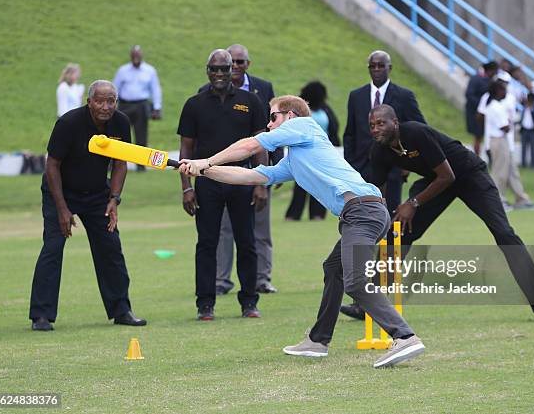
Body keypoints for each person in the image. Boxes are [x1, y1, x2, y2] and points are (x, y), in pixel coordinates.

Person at [179, 95, 425, 368]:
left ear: (290, 116)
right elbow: (251, 176)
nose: (269, 125)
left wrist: (208, 159)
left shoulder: (304, 126)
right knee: (334, 269)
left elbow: (250, 145)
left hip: (363, 211)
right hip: (359, 214)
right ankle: (317, 341)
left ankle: (404, 336)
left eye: (273, 118)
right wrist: (204, 170)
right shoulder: (294, 159)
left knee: (355, 282)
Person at [367, 104, 534, 323]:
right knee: (398, 232)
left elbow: (448, 176)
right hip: (435, 182)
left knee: (504, 234)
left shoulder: (417, 132)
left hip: (469, 175)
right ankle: (369, 302)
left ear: (395, 122)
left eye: (381, 123)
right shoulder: (379, 150)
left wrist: (413, 202)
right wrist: (378, 216)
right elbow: (376, 190)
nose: (375, 129)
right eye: (372, 125)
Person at [29, 80, 147, 331]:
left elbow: (120, 163)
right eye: (100, 101)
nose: (105, 106)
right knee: (53, 247)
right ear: (89, 102)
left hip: (97, 195)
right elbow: (52, 166)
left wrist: (114, 199)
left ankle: (121, 310)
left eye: (110, 101)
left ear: (116, 102)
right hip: (60, 191)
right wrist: (62, 208)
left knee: (111, 248)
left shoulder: (121, 123)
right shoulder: (69, 123)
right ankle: (41, 315)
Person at [177, 49, 266, 321]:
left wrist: (262, 182)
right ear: (207, 71)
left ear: (233, 71)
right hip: (207, 182)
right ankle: (205, 304)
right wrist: (187, 187)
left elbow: (261, 144)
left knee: (247, 241)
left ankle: (249, 302)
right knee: (207, 243)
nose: (218, 74)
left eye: (224, 69)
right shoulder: (195, 104)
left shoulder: (250, 101)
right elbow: (186, 149)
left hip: (242, 179)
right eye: (213, 69)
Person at [341, 50, 426, 320]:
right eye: (372, 65)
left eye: (381, 65)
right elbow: (350, 134)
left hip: (391, 176)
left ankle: (377, 294)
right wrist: (352, 168)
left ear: (390, 67)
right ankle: (363, 294)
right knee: (362, 233)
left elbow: (419, 130)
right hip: (362, 176)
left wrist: (404, 166)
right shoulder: (356, 96)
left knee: (389, 232)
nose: (376, 69)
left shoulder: (404, 96)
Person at [205, 44, 279, 295]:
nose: (234, 67)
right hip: (223, 172)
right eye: (230, 63)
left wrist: (271, 172)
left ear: (247, 64)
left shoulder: (263, 89)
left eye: (239, 62)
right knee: (224, 229)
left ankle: (262, 278)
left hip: (256, 171)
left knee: (260, 228)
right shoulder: (207, 92)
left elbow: (273, 130)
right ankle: (221, 280)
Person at [285, 81, 340, 221]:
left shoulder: (324, 109)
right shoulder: (300, 110)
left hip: (321, 153)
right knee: (301, 184)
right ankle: (293, 215)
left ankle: (317, 214)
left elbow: (334, 127)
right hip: (302, 152)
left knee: (320, 183)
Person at [483, 80, 534, 210]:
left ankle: (521, 199)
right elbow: (505, 127)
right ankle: (498, 200)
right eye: (502, 90)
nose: (505, 92)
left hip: (503, 141)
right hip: (498, 140)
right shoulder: (495, 106)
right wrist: (510, 123)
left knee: (512, 171)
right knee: (500, 172)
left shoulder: (497, 105)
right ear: (497, 92)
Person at [113, 45, 162, 171]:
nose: (136, 58)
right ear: (130, 56)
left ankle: (140, 165)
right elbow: (115, 87)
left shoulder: (149, 70)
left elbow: (155, 89)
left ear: (141, 56)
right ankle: (116, 163)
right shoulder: (123, 70)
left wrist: (157, 107)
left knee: (141, 135)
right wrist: (113, 105)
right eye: (133, 55)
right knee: (120, 134)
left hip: (141, 105)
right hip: (125, 105)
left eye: (138, 55)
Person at [465, 61, 498, 156]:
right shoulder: (476, 79)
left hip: (488, 113)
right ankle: (477, 157)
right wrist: (481, 106)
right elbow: (469, 94)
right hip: (476, 113)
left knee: (488, 136)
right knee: (478, 136)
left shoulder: (492, 81)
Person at [519, 93, 534, 168]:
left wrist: (530, 108)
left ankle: (533, 164)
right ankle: (523, 164)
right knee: (523, 148)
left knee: (533, 148)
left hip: (532, 130)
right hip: (524, 130)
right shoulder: (524, 107)